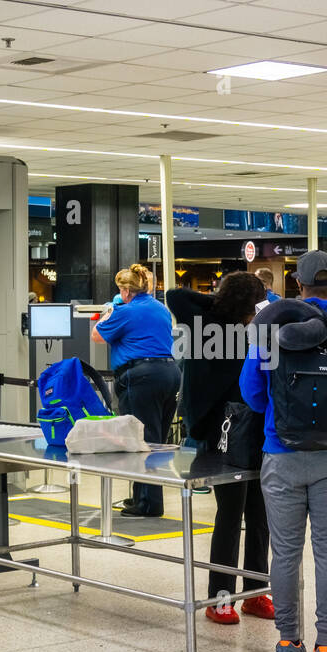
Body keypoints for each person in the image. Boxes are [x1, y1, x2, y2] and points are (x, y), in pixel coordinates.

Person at [240, 251, 327, 652]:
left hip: (281, 455)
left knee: (284, 553)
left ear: (297, 285)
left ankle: (286, 642)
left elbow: (252, 394)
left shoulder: (271, 330)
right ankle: (325, 649)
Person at [168, 271, 273, 625]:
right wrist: (227, 306)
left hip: (253, 428)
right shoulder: (212, 323)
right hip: (221, 432)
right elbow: (173, 294)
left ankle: (256, 592)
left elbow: (176, 295)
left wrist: (227, 304)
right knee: (231, 511)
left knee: (259, 512)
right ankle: (220, 598)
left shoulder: (235, 327)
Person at [92, 263, 178, 518]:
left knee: (140, 439)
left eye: (120, 290)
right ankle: (144, 495)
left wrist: (110, 310)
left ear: (126, 290)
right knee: (157, 439)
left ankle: (149, 504)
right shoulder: (160, 308)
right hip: (170, 374)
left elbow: (96, 335)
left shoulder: (125, 311)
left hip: (140, 377)